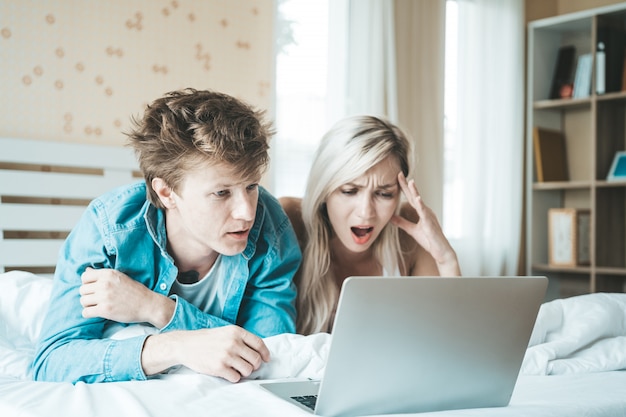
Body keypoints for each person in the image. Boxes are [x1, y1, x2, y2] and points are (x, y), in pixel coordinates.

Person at [33, 88, 301, 384]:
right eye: (221, 192)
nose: (246, 212)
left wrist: (157, 309)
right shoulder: (110, 228)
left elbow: (265, 357)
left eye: (251, 186)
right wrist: (176, 347)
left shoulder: (270, 227)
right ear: (166, 192)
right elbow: (52, 361)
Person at [280, 115, 461, 335]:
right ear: (324, 190)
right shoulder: (289, 220)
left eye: (384, 194)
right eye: (349, 191)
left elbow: (449, 336)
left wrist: (446, 259)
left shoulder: (409, 229)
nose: (366, 212)